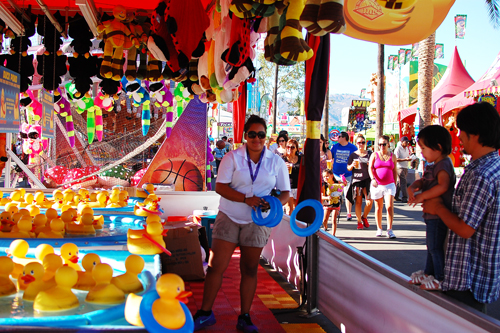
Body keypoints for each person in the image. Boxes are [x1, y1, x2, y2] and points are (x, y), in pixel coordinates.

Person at [193, 115, 290, 332]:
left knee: (249, 268)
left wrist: (272, 204)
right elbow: (221, 187)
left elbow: (285, 193)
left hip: (258, 221)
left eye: (261, 135)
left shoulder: (276, 161)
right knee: (216, 266)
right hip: (229, 216)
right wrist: (245, 199)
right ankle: (205, 312)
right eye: (252, 134)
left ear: (267, 137)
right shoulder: (232, 157)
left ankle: (244, 316)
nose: (257, 139)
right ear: (245, 135)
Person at [422, 103, 500, 313]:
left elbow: (465, 229)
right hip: (476, 275)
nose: (458, 136)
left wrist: (437, 207)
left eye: (460, 130)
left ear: (474, 134)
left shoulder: (480, 175)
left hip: (468, 277)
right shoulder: (491, 167)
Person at [407, 125, 456, 291]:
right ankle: (429, 273)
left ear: (438, 147)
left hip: (439, 215)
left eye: (423, 148)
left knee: (435, 247)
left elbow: (443, 186)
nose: (421, 152)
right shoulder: (433, 164)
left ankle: (441, 278)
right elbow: (424, 181)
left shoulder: (443, 164)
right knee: (431, 245)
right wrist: (414, 186)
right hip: (431, 214)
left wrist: (422, 196)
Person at [368, 135, 398, 238]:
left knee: (389, 206)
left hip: (389, 184)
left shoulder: (392, 156)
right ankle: (379, 228)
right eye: (380, 144)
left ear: (388, 144)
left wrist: (395, 182)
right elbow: (370, 168)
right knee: (378, 207)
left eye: (384, 144)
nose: (382, 146)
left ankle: (389, 229)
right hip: (377, 184)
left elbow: (395, 171)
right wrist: (372, 178)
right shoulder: (374, 155)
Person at [346, 134, 373, 230]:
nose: (361, 144)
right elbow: (348, 168)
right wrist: (352, 165)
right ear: (356, 144)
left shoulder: (370, 153)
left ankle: (364, 216)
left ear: (365, 143)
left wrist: (371, 165)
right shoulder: (353, 155)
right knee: (358, 202)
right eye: (359, 143)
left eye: (362, 142)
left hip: (367, 180)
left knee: (369, 201)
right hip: (357, 180)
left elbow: (375, 166)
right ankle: (359, 222)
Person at [331, 131, 357, 220]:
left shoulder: (352, 147)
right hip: (336, 174)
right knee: (337, 194)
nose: (337, 138)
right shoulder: (335, 147)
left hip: (348, 174)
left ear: (345, 138)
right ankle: (336, 211)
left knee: (347, 194)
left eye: (340, 136)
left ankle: (349, 213)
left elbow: (357, 158)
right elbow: (330, 157)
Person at [322, 169, 346, 236]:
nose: (325, 178)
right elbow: (321, 196)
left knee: (333, 220)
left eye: (327, 176)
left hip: (335, 204)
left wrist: (344, 181)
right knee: (324, 220)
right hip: (327, 204)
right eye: (324, 177)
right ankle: (325, 228)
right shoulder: (324, 185)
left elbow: (344, 185)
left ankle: (333, 235)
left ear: (332, 175)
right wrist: (327, 197)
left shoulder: (337, 183)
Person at [283, 139, 302, 214]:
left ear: (297, 149)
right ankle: (289, 225)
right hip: (287, 187)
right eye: (288, 147)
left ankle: (294, 225)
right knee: (289, 209)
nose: (289, 149)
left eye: (292, 147)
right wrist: (283, 167)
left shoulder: (301, 158)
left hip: (297, 186)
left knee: (296, 209)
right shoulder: (282, 159)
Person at [394, 136, 412, 203]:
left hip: (405, 166)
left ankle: (396, 195)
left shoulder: (406, 149)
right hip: (399, 167)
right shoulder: (398, 149)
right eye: (406, 142)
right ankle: (404, 197)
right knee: (403, 182)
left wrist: (408, 158)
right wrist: (405, 159)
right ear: (402, 142)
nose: (407, 143)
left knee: (399, 182)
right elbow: (396, 159)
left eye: (407, 142)